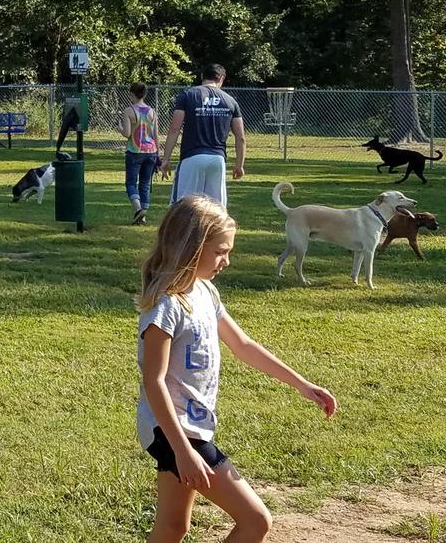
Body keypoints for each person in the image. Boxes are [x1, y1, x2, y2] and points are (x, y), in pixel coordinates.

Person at [138, 195, 337, 542]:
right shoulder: (167, 307)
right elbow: (154, 381)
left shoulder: (205, 293)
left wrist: (303, 385)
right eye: (220, 251)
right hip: (175, 432)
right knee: (256, 520)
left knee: (172, 527)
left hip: (191, 429)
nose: (226, 261)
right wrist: (183, 451)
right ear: (190, 246)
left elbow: (244, 346)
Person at [159, 64, 246, 206]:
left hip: (191, 157)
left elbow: (175, 128)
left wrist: (166, 159)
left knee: (183, 206)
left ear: (202, 77)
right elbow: (240, 137)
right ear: (221, 79)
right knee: (216, 210)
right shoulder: (231, 101)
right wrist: (239, 165)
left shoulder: (187, 95)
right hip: (218, 160)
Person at [120, 82, 160, 225]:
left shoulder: (128, 111)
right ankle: (143, 217)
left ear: (132, 94)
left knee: (131, 182)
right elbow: (155, 134)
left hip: (135, 151)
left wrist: (119, 127)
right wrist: (158, 154)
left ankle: (138, 209)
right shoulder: (152, 112)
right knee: (145, 183)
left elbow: (127, 133)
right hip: (151, 151)